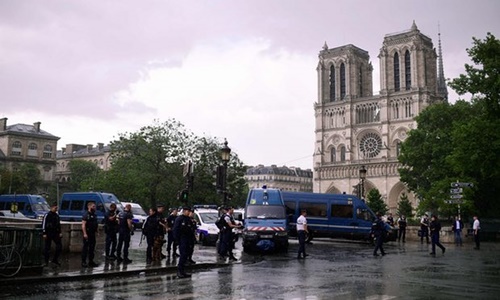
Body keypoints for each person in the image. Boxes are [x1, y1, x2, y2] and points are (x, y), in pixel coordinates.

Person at [173, 206, 195, 278]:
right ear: (184, 211)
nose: (189, 213)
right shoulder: (179, 219)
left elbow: (191, 230)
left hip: (188, 240)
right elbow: (176, 230)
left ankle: (183, 271)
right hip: (182, 239)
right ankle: (179, 271)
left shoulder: (188, 219)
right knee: (183, 255)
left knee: (185, 256)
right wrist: (177, 240)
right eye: (188, 211)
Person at [42, 202, 62, 266]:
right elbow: (44, 224)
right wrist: (44, 233)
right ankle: (46, 261)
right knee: (47, 248)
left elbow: (58, 225)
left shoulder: (56, 215)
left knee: (59, 246)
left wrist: (60, 232)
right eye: (55, 208)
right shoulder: (47, 215)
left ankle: (55, 259)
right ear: (52, 207)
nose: (56, 209)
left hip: (55, 233)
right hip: (48, 232)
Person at [82, 202, 99, 268]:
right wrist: (85, 233)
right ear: (89, 207)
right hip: (87, 233)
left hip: (92, 233)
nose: (94, 208)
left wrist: (97, 231)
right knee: (85, 248)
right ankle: (83, 262)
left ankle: (91, 261)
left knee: (92, 248)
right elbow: (83, 225)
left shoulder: (94, 215)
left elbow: (95, 223)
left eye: (94, 206)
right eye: (93, 206)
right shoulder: (86, 215)